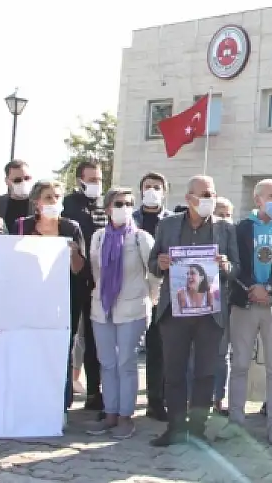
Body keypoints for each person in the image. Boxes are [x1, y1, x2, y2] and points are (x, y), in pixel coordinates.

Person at [147, 175, 239, 447]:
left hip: (210, 314)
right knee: (173, 372)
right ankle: (175, 428)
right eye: (205, 195)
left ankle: (198, 430)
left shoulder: (225, 229)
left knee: (205, 373)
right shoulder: (168, 225)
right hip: (175, 312)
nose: (210, 199)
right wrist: (160, 263)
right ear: (189, 199)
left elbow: (237, 269)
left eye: (212, 194)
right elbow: (152, 263)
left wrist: (225, 266)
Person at [221, 179, 272, 446]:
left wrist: (268, 288)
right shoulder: (241, 228)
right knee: (240, 364)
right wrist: (251, 288)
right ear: (257, 200)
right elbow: (235, 264)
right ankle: (235, 422)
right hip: (244, 303)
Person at [86, 187, 155, 440]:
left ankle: (126, 416)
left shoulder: (141, 238)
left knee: (127, 363)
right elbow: (96, 272)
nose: (123, 207)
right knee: (107, 363)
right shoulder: (98, 238)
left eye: (128, 203)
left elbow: (154, 274)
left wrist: (150, 300)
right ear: (107, 208)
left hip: (133, 308)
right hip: (103, 308)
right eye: (118, 203)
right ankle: (111, 413)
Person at [14, 179, 87, 415]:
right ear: (36, 202)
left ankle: (59, 407)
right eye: (48, 197)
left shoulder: (71, 228)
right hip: (29, 301)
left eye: (57, 196)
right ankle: (27, 401)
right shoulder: (21, 227)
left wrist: (74, 253)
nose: (54, 201)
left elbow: (79, 270)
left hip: (64, 302)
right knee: (29, 348)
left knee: (61, 350)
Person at [62, 161, 108, 415]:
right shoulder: (67, 204)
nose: (95, 184)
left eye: (99, 180)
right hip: (71, 279)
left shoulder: (104, 206)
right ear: (79, 180)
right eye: (91, 180)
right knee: (68, 337)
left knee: (94, 340)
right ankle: (65, 391)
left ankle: (94, 393)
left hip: (98, 281)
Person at [134, 172, 171, 421]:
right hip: (134, 290)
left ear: (164, 192)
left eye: (157, 187)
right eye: (148, 187)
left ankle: (156, 401)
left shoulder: (172, 221)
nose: (152, 190)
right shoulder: (131, 218)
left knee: (159, 348)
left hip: (163, 291)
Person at [0, 159, 33, 232]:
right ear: (7, 181)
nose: (24, 182)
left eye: (27, 178)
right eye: (17, 180)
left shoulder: (40, 203)